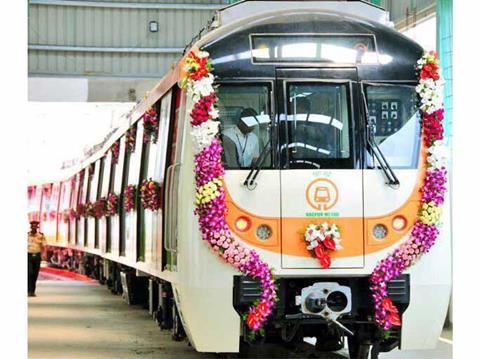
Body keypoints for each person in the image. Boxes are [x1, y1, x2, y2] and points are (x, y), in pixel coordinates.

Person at [28, 220, 46, 297]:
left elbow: (44, 245)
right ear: (31, 227)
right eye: (33, 226)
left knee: (35, 274)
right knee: (29, 273)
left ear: (37, 227)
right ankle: (29, 290)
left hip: (37, 256)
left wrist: (44, 254)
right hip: (28, 256)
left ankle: (32, 291)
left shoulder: (41, 236)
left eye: (35, 226)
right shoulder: (26, 235)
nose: (34, 228)